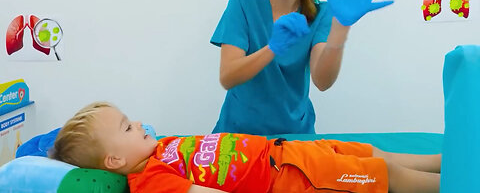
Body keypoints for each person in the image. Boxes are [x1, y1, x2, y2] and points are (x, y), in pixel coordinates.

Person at [209, 0, 394, 135]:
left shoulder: (321, 13)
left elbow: (322, 81)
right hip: (237, 135)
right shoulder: (243, 0)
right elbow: (228, 76)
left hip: (293, 138)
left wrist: (340, 28)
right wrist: (273, 48)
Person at [51, 102, 441, 193]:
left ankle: (447, 159)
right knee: (383, 176)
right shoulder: (149, 179)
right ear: (116, 159)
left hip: (286, 149)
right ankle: (454, 183)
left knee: (371, 153)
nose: (137, 123)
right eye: (126, 126)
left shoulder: (158, 148)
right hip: (288, 177)